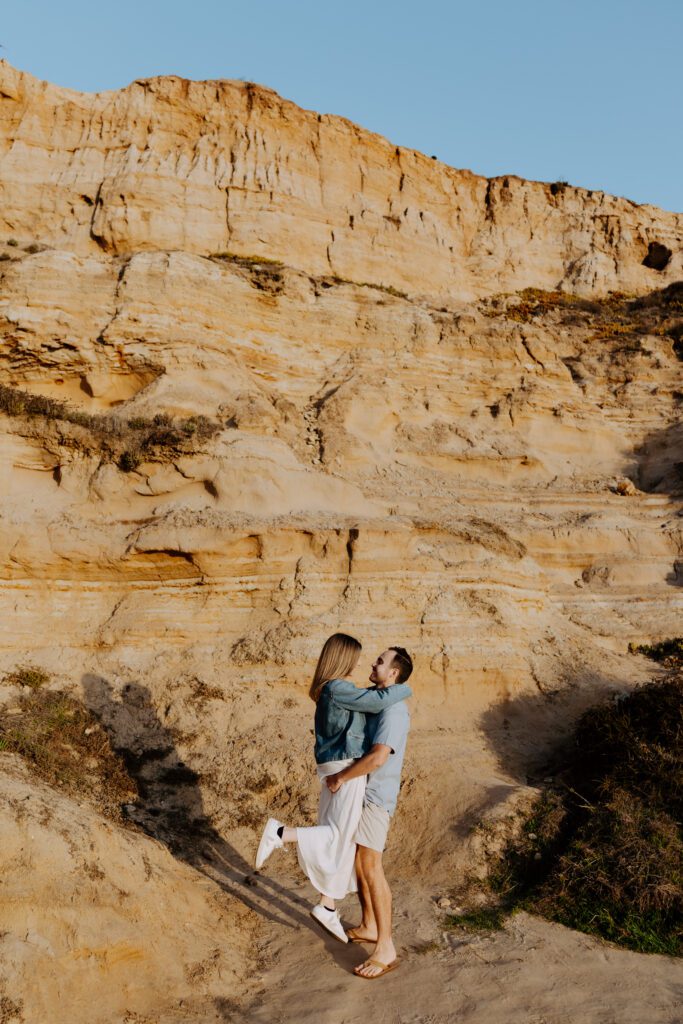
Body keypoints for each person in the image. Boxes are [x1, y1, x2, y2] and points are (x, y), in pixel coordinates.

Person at [255, 633, 412, 944]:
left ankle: (328, 905)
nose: (365, 662)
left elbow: (370, 700)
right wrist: (403, 688)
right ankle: (280, 834)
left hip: (336, 768)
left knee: (343, 841)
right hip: (344, 769)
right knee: (339, 835)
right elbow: (374, 701)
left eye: (378, 660)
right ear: (342, 658)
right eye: (357, 656)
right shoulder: (340, 688)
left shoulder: (335, 690)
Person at [325, 645, 413, 979]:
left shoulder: (394, 711)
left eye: (381, 660)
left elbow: (378, 757)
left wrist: (341, 777)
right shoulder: (378, 703)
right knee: (360, 865)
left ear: (393, 674)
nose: (374, 663)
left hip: (376, 797)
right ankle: (370, 925)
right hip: (364, 793)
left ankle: (386, 947)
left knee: (371, 867)